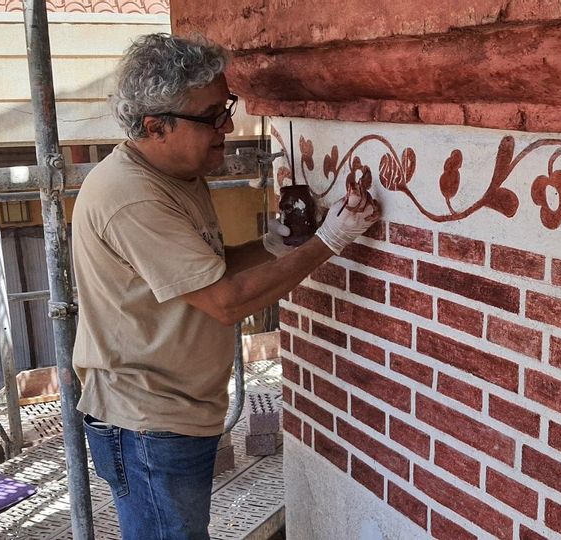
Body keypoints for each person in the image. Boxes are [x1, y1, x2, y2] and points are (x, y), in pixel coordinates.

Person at [70, 33, 380, 539]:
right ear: (156, 126)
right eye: (212, 115)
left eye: (226, 107)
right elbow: (224, 302)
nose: (228, 127)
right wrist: (330, 240)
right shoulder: (133, 197)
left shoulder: (178, 175)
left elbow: (209, 271)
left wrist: (273, 246)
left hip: (173, 414)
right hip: (147, 422)